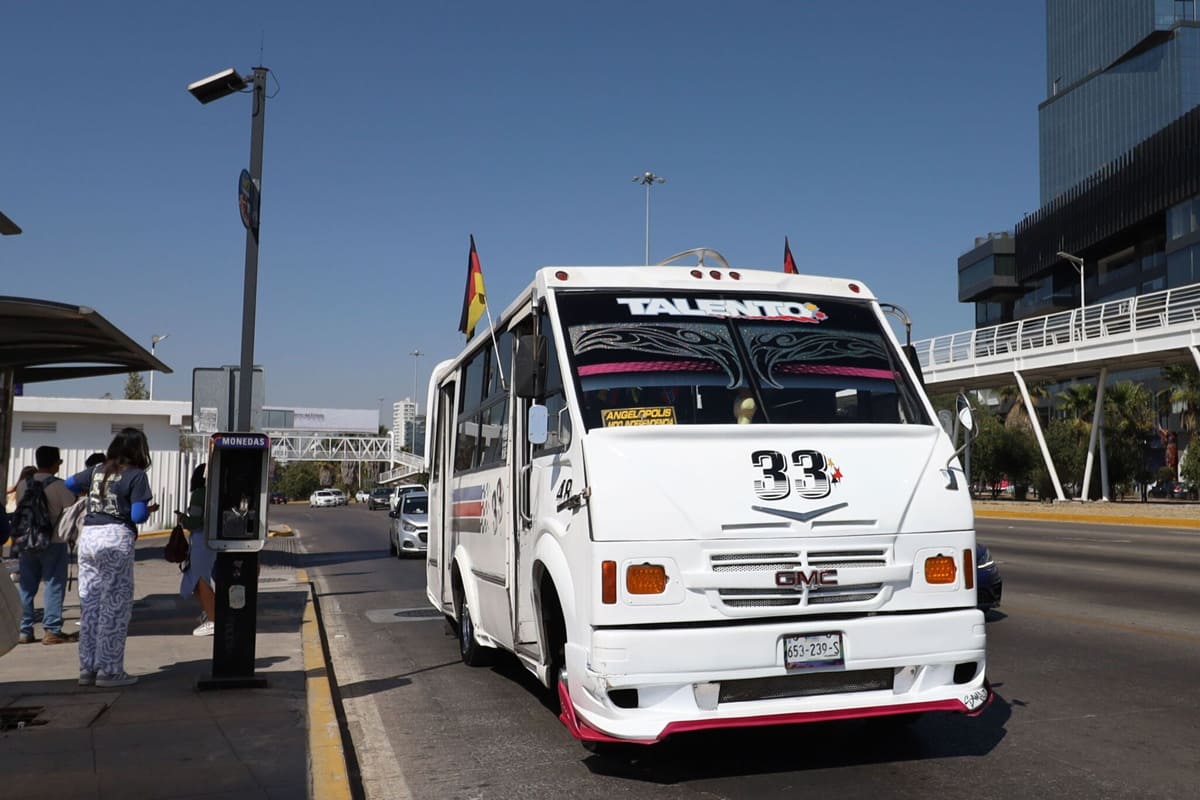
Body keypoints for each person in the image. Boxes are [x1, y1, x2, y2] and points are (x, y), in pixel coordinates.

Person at [65, 428, 158, 688]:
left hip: (89, 538)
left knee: (90, 604)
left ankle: (87, 669)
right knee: (114, 606)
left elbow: (69, 484)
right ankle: (109, 670)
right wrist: (139, 508)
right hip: (115, 539)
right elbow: (138, 515)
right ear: (140, 451)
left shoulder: (96, 471)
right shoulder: (136, 476)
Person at [14, 446, 79, 645]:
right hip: (54, 541)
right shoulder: (60, 485)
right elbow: (71, 509)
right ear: (54, 463)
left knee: (26, 586)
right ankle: (52, 630)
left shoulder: (23, 484)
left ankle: (23, 630)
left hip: (27, 542)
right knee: (53, 584)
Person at [177, 464, 215, 636]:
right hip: (211, 541)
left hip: (201, 541)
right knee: (200, 580)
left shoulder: (200, 494)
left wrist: (182, 518)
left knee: (200, 580)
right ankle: (210, 613)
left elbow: (195, 522)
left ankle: (213, 619)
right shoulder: (214, 493)